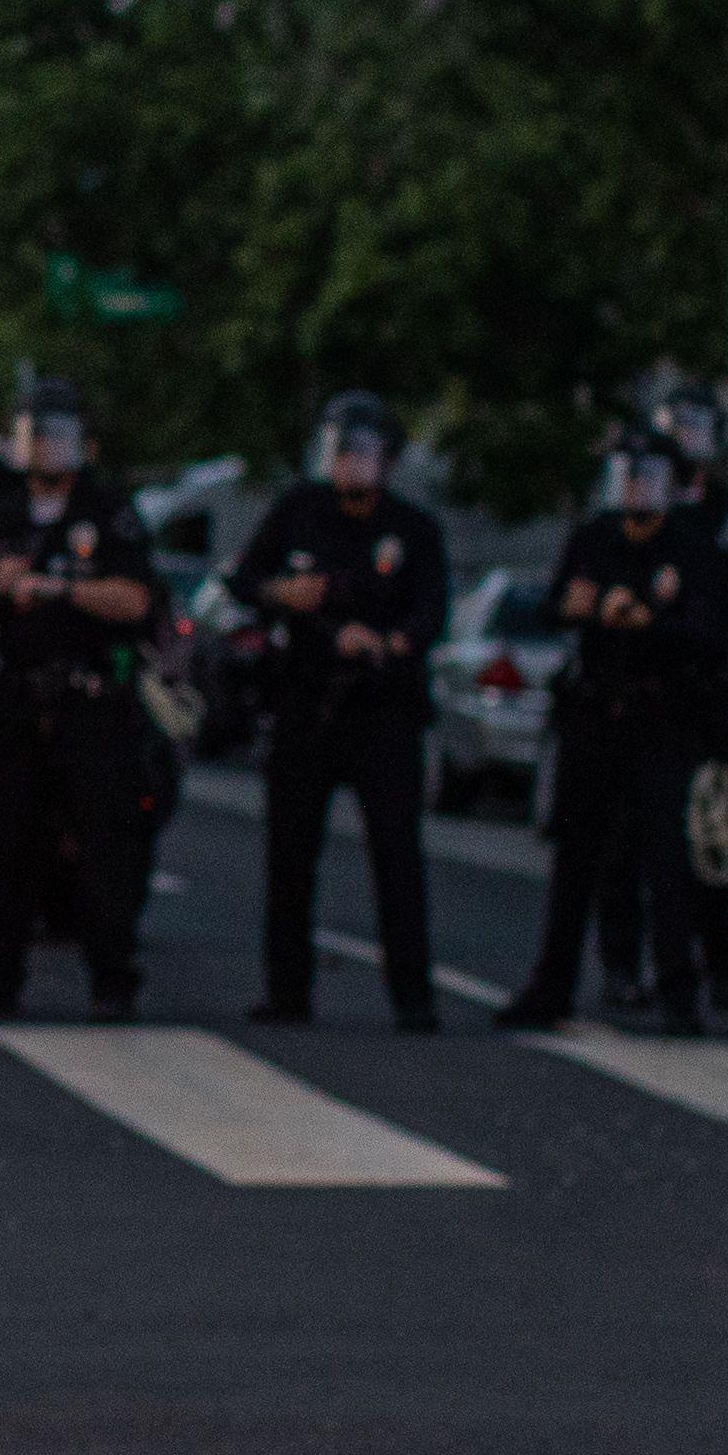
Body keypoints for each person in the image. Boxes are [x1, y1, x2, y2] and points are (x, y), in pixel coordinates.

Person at [505, 424, 728, 1037]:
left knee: (667, 859)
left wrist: (643, 620)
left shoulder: (693, 547)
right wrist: (577, 609)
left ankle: (678, 995)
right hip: (594, 713)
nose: (636, 487)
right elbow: (557, 603)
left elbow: (711, 637)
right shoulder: (594, 538)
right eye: (627, 475)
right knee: (576, 857)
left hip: (662, 719)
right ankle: (550, 986)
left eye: (648, 476)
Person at [0, 378, 163, 1022]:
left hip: (89, 701)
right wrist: (0, 584)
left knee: (103, 848)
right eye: (34, 435)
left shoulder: (108, 511)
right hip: (16, 698)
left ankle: (112, 981)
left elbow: (135, 599)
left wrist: (59, 591)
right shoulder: (4, 515)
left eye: (57, 436)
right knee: (12, 847)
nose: (43, 448)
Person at [227, 388, 444, 1031]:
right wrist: (281, 593)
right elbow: (242, 581)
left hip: (382, 706)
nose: (348, 462)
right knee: (291, 853)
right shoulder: (299, 511)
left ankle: (413, 996)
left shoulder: (411, 529)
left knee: (397, 854)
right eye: (338, 449)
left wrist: (388, 643)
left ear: (389, 459)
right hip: (305, 699)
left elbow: (431, 612)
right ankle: (287, 992)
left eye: (362, 450)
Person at [618, 389, 728, 1017]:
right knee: (633, 844)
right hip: (638, 700)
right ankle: (629, 965)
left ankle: (721, 967)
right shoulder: (631, 512)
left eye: (695, 430)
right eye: (673, 430)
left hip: (709, 697)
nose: (684, 442)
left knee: (713, 831)